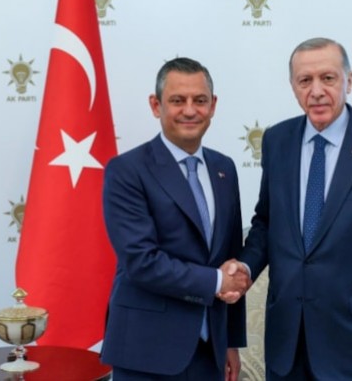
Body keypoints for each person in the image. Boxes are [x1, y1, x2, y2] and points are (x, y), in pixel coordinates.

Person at [226, 37, 352, 380]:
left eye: (328, 78)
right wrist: (244, 266)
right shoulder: (277, 141)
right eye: (305, 80)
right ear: (293, 87)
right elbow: (267, 222)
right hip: (288, 342)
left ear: (349, 80)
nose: (316, 91)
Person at [101, 57, 249, 380]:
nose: (190, 110)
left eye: (200, 100)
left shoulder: (224, 169)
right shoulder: (126, 171)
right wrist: (216, 282)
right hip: (146, 353)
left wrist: (231, 341)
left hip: (210, 352)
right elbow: (141, 261)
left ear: (213, 105)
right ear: (156, 106)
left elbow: (230, 257)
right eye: (178, 100)